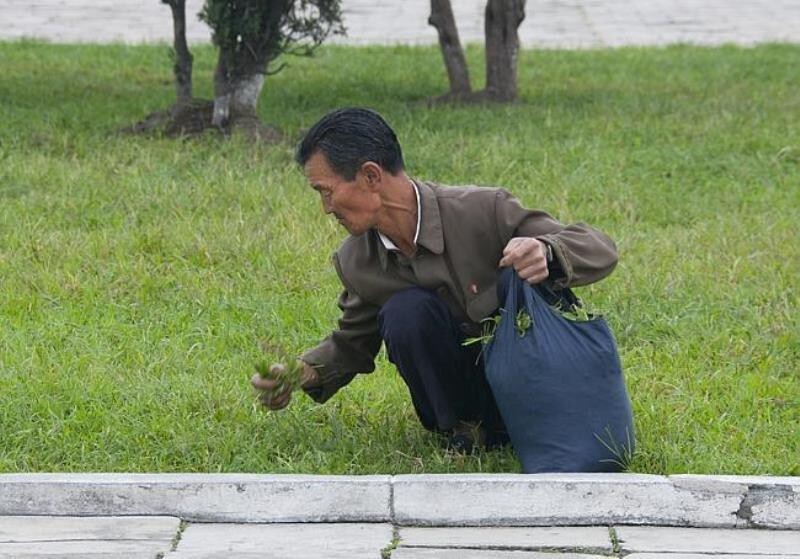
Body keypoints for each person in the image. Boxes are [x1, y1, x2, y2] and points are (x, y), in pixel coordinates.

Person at [251, 107, 618, 451]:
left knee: (513, 276)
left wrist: (546, 250)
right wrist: (300, 373)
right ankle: (465, 429)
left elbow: (598, 247)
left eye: (326, 191)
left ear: (371, 176)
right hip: (470, 403)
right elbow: (352, 343)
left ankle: (527, 422)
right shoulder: (356, 260)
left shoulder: (483, 209)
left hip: (536, 389)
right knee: (405, 312)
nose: (326, 208)